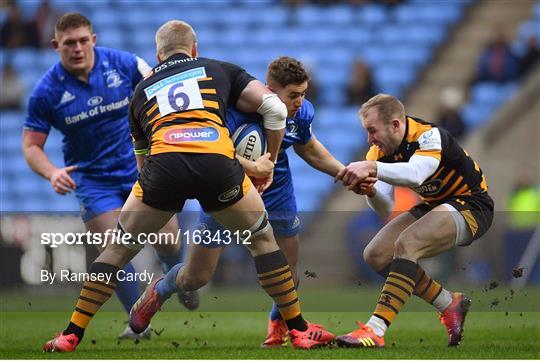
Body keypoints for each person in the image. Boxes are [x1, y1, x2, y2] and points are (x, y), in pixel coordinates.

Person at [43, 19, 334, 352]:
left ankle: (70, 334)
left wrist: (151, 192)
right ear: (194, 49)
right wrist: (266, 160)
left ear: (158, 55)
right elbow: (274, 107)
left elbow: (142, 156)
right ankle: (298, 330)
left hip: (163, 166)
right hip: (217, 164)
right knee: (263, 240)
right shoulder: (217, 70)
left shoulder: (141, 91)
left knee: (118, 249)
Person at [134, 56, 345, 348]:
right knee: (196, 277)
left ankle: (279, 329)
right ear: (270, 91)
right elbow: (213, 157)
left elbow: (307, 146)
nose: (300, 101)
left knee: (288, 270)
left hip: (278, 193)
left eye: (303, 94)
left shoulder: (300, 112)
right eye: (293, 95)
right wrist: (253, 166)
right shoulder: (232, 113)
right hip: (226, 193)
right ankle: (161, 289)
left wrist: (341, 171)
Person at [23, 13, 196, 341]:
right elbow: (31, 146)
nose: (77, 48)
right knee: (113, 252)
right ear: (54, 45)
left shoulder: (124, 64)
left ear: (94, 40)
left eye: (83, 41)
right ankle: (138, 324)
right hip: (93, 181)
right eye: (69, 43)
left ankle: (179, 278)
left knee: (170, 240)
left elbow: (161, 92)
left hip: (139, 171)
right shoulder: (46, 91)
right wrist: (51, 171)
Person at [334, 94, 494, 348]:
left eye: (372, 130)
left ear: (396, 125)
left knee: (407, 244)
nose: (369, 139)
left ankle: (376, 329)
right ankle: (448, 303)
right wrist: (370, 191)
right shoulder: (378, 153)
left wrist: (372, 169)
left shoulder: (429, 136)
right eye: (367, 131)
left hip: (471, 205)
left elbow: (417, 174)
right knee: (374, 254)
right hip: (434, 205)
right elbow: (384, 207)